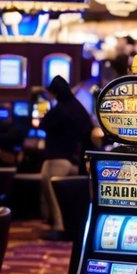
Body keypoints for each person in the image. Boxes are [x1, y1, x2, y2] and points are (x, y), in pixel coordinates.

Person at [38, 75, 94, 237]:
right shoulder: (77, 107)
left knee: (54, 198)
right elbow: (88, 131)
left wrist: (47, 104)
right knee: (68, 201)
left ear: (54, 92)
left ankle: (59, 228)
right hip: (75, 160)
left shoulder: (58, 109)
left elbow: (42, 124)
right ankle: (68, 228)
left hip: (56, 159)